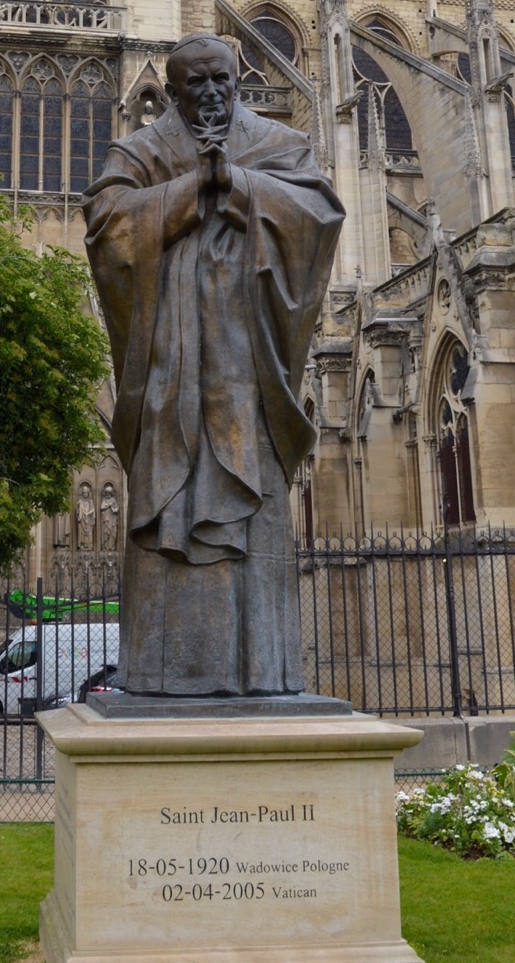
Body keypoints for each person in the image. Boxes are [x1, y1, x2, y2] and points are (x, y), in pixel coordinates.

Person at [84, 34, 343, 695]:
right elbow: (107, 225)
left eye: (222, 80)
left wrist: (241, 185)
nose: (211, 94)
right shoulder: (141, 152)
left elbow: (319, 212)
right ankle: (168, 673)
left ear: (239, 78)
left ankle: (263, 673)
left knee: (254, 498)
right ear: (171, 92)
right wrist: (194, 185)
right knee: (168, 500)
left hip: (249, 362)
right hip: (170, 368)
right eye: (196, 83)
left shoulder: (278, 146)